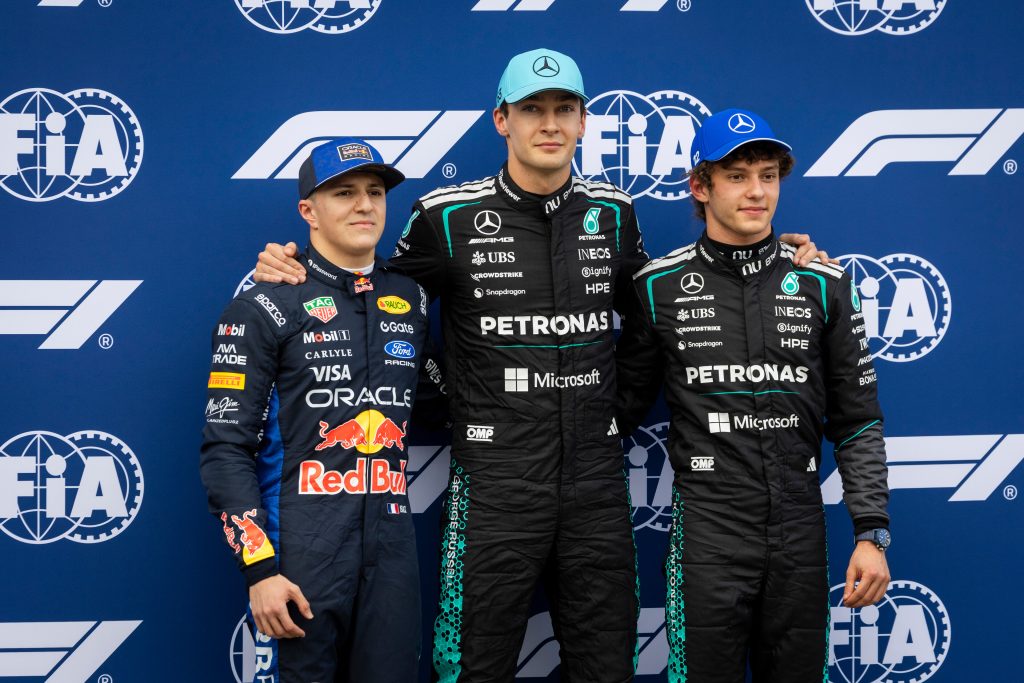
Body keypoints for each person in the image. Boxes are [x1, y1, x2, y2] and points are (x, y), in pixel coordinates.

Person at [253, 51, 830, 683]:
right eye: (532, 109)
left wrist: (776, 260)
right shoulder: (447, 216)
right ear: (502, 120)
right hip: (495, 488)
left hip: (597, 489)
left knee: (608, 668)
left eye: (564, 109)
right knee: (472, 669)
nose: (549, 124)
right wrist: (294, 264)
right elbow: (380, 306)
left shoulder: (614, 213)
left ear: (584, 123)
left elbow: (652, 324)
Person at [615, 108, 891, 683]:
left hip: (799, 527)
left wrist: (871, 534)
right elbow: (618, 409)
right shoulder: (656, 287)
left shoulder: (826, 283)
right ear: (700, 185)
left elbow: (858, 420)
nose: (756, 191)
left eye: (768, 175)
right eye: (737, 175)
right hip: (709, 532)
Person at [200, 138, 435, 682]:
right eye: (344, 193)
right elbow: (225, 449)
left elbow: (434, 399)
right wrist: (259, 569)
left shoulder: (411, 297)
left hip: (392, 560)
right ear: (308, 210)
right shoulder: (263, 303)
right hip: (299, 560)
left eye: (375, 192)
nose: (364, 205)